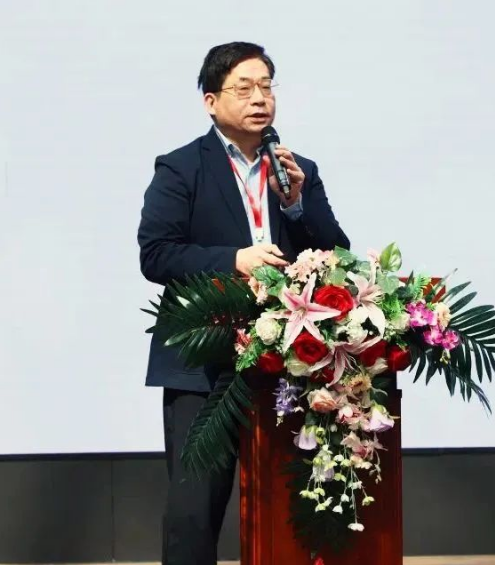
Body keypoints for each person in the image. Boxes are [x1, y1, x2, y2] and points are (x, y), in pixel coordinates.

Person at [137, 41, 350, 565]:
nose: (260, 99)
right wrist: (234, 260)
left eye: (267, 87)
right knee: (194, 509)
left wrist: (296, 205)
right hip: (203, 361)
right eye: (245, 88)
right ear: (211, 101)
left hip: (287, 359)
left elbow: (336, 255)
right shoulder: (181, 168)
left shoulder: (297, 169)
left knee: (292, 502)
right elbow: (157, 254)